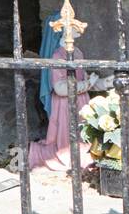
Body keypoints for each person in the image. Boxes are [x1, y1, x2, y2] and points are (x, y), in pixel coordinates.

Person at [29, 15, 107, 172]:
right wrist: (87, 83)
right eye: (73, 23)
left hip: (81, 100)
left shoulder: (77, 52)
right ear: (63, 28)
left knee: (83, 133)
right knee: (67, 137)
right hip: (65, 103)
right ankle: (55, 156)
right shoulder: (57, 55)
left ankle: (83, 157)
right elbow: (60, 88)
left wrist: (106, 83)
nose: (78, 25)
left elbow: (84, 80)